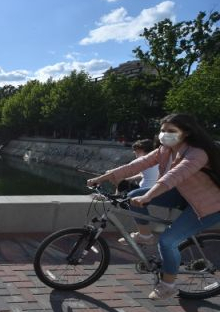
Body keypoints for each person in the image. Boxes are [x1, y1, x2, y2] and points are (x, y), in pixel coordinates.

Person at [87, 113, 220, 300]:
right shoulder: (165, 149)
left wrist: (149, 195)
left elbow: (174, 176)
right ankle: (145, 235)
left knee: (168, 241)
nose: (165, 134)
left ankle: (168, 285)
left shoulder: (197, 153)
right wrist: (101, 178)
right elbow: (137, 164)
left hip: (208, 205)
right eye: (163, 130)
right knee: (133, 195)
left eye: (171, 131)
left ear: (187, 133)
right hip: (184, 195)